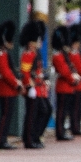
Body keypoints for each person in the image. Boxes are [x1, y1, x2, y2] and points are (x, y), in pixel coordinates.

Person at [0, 20, 23, 149]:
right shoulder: (0, 54)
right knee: (5, 115)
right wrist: (16, 83)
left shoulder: (3, 53)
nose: (12, 43)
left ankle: (3, 139)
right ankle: (1, 140)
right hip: (5, 88)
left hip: (8, 88)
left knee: (7, 115)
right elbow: (5, 72)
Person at [19, 20, 50, 148]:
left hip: (38, 87)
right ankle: (29, 139)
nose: (38, 43)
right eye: (36, 40)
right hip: (32, 88)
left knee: (44, 111)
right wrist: (29, 86)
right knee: (32, 115)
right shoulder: (28, 54)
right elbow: (25, 72)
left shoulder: (35, 54)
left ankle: (35, 136)